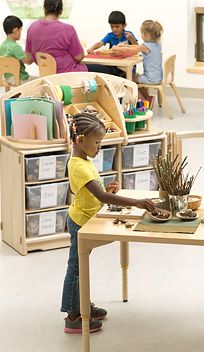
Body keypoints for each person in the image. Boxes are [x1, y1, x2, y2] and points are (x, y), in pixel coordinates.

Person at [61, 112, 155, 333]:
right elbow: (102, 198)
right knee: (75, 268)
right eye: (97, 142)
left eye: (101, 141)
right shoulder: (78, 166)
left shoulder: (84, 159)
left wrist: (107, 188)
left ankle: (82, 305)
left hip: (88, 219)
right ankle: (73, 315)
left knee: (80, 267)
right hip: (80, 223)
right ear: (81, 140)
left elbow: (97, 192)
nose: (100, 146)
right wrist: (136, 202)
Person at [111, 20, 163, 109]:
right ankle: (147, 99)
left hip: (150, 78)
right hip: (158, 77)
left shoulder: (145, 46)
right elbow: (136, 47)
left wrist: (117, 48)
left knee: (130, 80)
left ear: (147, 35)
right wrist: (123, 46)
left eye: (142, 34)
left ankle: (143, 103)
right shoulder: (157, 44)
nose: (141, 36)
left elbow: (130, 51)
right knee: (136, 77)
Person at [25, 0, 87, 73]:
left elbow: (29, 58)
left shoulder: (32, 27)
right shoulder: (67, 29)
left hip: (46, 75)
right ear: (61, 11)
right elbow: (79, 57)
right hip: (68, 74)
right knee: (101, 69)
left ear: (44, 9)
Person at [87, 11, 138, 77]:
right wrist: (92, 48)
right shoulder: (110, 36)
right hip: (115, 64)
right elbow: (100, 43)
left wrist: (132, 39)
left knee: (129, 75)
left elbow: (137, 47)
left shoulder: (129, 34)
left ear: (124, 25)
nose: (114, 29)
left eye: (117, 26)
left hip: (128, 63)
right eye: (112, 27)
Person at [0, 15, 33, 85]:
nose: (21, 33)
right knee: (37, 82)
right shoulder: (15, 47)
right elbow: (27, 61)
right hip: (19, 78)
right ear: (15, 30)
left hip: (7, 78)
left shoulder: (2, 46)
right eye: (20, 30)